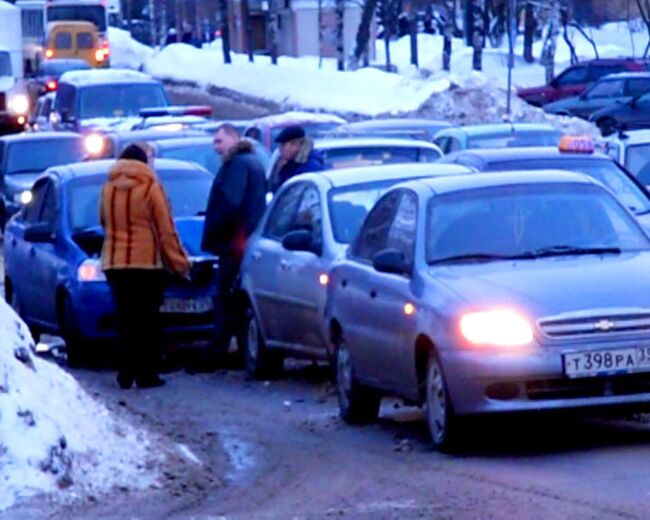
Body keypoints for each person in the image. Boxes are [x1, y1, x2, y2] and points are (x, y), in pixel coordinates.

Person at [100, 143, 191, 389]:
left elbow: (103, 221)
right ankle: (146, 374)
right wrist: (180, 263)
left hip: (114, 262)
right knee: (147, 320)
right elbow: (166, 230)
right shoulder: (151, 187)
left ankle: (125, 372)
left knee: (125, 317)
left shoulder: (108, 188)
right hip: (146, 264)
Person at [200, 124, 267, 367]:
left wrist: (217, 227)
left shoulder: (238, 165)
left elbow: (230, 202)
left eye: (219, 141)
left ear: (233, 139)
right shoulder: (252, 162)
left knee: (226, 297)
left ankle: (216, 355)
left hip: (234, 241)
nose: (215, 147)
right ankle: (238, 351)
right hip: (242, 239)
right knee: (236, 297)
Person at [269, 125, 324, 193]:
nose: (280, 150)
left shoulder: (309, 167)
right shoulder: (287, 164)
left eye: (283, 146)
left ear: (295, 145)